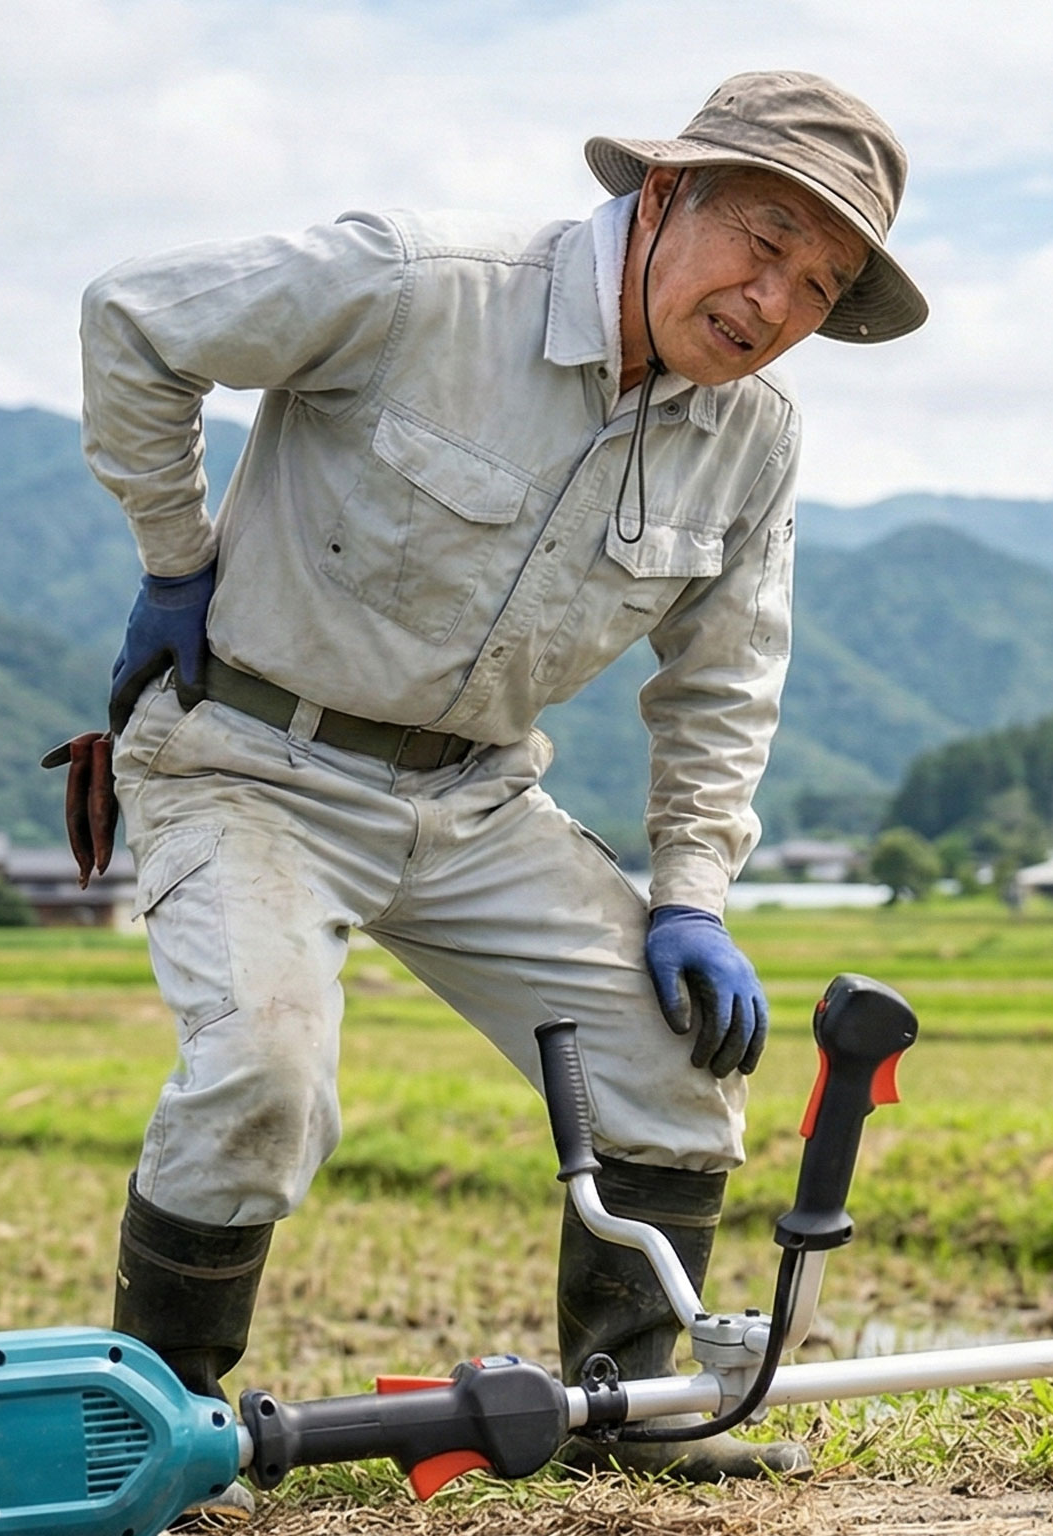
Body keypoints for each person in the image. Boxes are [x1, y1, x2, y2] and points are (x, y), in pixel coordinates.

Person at [76, 70, 926, 1499]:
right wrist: (174, 554)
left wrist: (691, 895)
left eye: (819, 284)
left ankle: (635, 1417)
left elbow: (724, 681)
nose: (775, 300)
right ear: (665, 193)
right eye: (764, 241)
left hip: (473, 801)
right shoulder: (422, 284)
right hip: (251, 762)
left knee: (673, 1065)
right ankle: (159, 1434)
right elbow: (137, 318)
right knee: (262, 1075)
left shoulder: (756, 434)